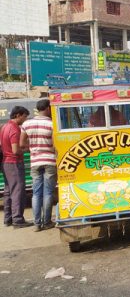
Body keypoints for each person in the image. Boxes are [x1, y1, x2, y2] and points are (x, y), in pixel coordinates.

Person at [20, 99, 56, 232]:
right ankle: (46, 222)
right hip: (50, 161)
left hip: (35, 162)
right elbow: (54, 146)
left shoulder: (26, 124)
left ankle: (37, 224)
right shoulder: (52, 124)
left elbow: (22, 144)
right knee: (48, 193)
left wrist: (34, 149)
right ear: (47, 108)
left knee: (36, 193)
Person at [1, 106, 31, 228]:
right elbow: (15, 150)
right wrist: (27, 149)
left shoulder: (4, 127)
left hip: (5, 163)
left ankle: (8, 219)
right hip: (14, 163)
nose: (25, 119)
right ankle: (18, 220)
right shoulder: (14, 129)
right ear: (18, 115)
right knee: (17, 191)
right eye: (24, 117)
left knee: (8, 191)